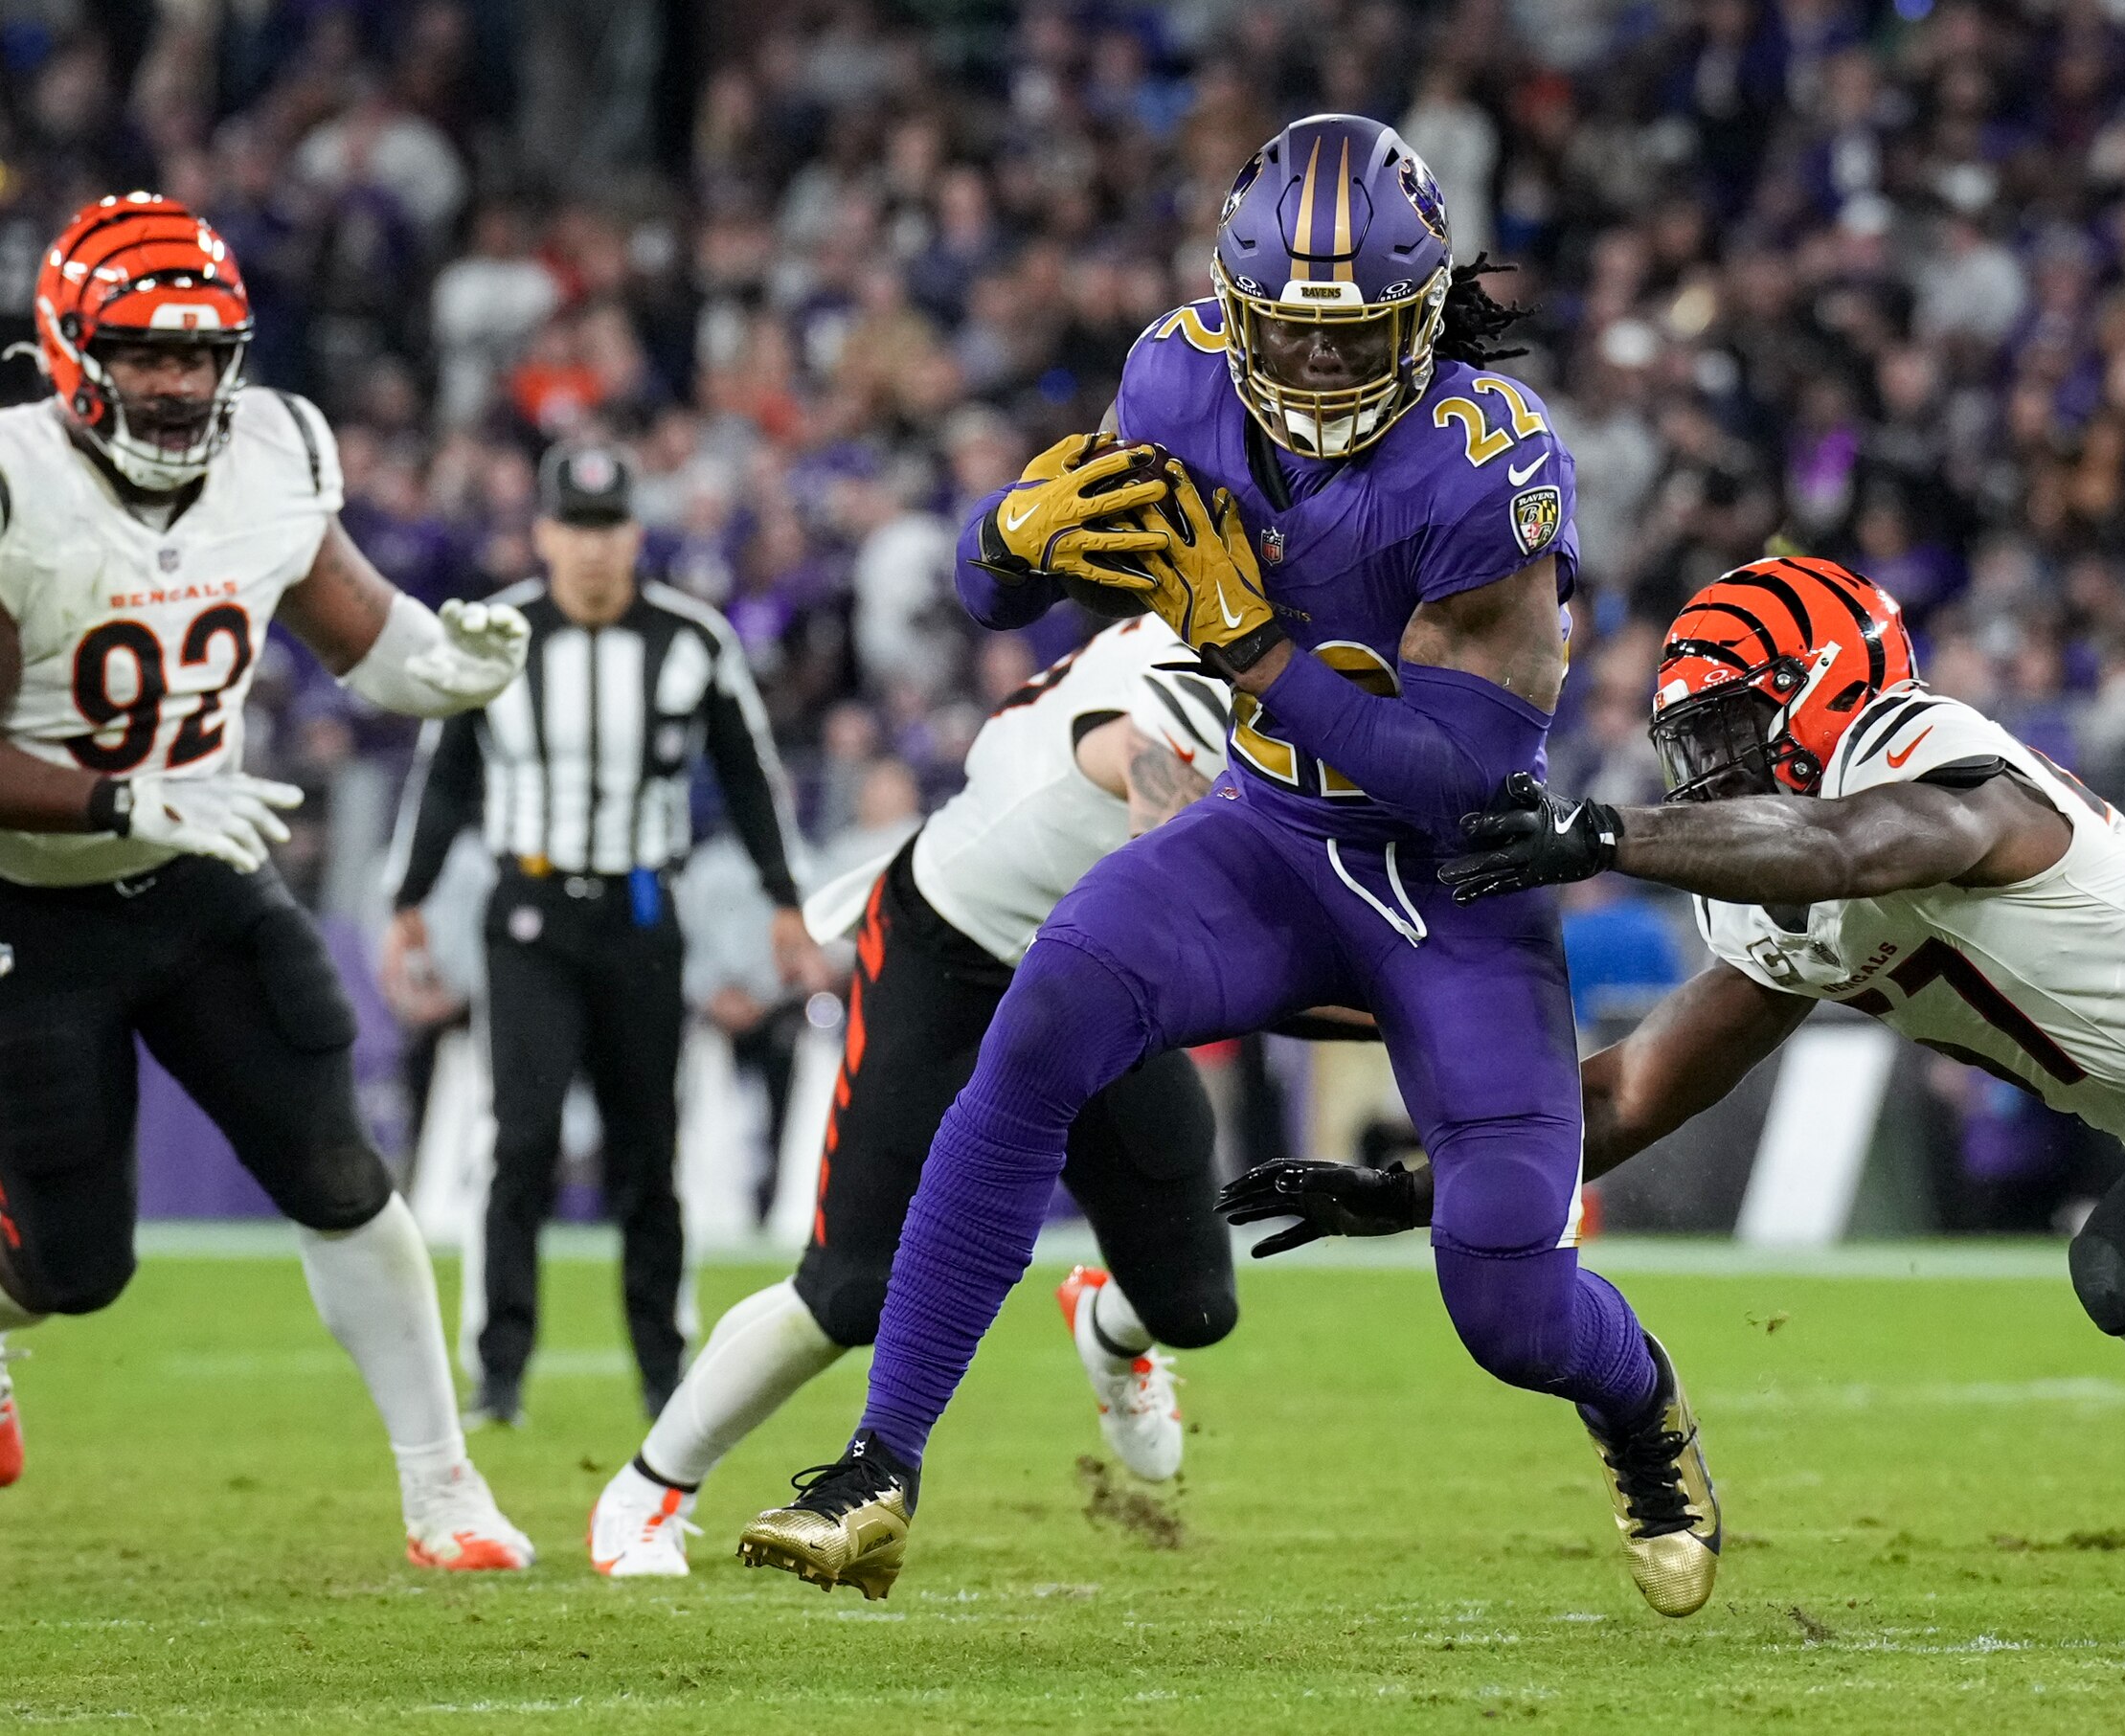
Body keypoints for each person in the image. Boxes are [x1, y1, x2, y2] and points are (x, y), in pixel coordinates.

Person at [737, 115, 1721, 1620]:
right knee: (1044, 1020)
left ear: (1424, 317)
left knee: (1508, 1303)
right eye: (1292, 334)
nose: (1320, 368)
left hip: (1447, 891)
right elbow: (1003, 589)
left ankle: (1641, 1408)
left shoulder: (1489, 466)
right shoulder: (1177, 372)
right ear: (1238, 308)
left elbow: (1457, 783)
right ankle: (878, 1466)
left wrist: (1251, 643)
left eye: (1359, 338)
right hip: (1266, 836)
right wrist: (1004, 541)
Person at [1248, 552, 2125, 1639]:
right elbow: (1631, 1094)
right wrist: (1418, 1186)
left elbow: (1858, 841)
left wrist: (1609, 836)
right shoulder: (1790, 895)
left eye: (1731, 730)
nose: (1707, 771)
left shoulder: (1927, 759)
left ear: (1832, 691)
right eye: (1690, 746)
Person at [0, 193, 534, 1568]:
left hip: (195, 873)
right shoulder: (15, 482)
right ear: (71, 348)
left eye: (201, 353)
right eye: (144, 353)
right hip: (30, 897)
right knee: (73, 1268)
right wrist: (121, 790)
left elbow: (360, 631)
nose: (178, 383)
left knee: (337, 1164)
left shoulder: (279, 447)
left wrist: (445, 666)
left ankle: (444, 1490)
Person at [587, 615, 1245, 1575]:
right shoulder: (1186, 677)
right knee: (848, 1290)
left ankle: (1107, 1323)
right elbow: (1145, 772)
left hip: (1094, 970)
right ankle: (649, 1488)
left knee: (1194, 1304)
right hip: (954, 951)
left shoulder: (1308, 672)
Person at [384, 441, 825, 1428]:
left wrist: (784, 900)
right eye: (574, 528)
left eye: (609, 526)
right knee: (523, 1140)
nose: (591, 548)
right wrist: (407, 900)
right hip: (529, 912)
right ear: (543, 533)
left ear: (636, 532)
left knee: (647, 1148)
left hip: (638, 913)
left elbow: (748, 773)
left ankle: (664, 1371)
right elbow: (444, 772)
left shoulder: (690, 638)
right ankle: (500, 1371)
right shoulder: (497, 637)